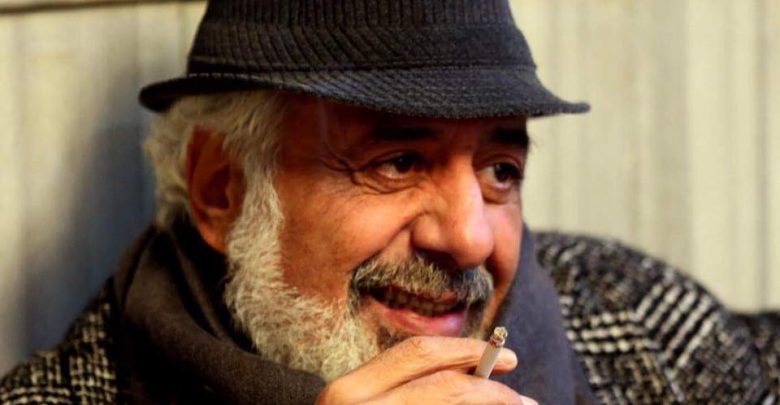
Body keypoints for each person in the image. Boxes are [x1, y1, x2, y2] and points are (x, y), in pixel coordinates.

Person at [2, 0, 778, 404]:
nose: (471, 238)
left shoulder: (642, 320)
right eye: (399, 161)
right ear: (222, 189)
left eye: (500, 169)